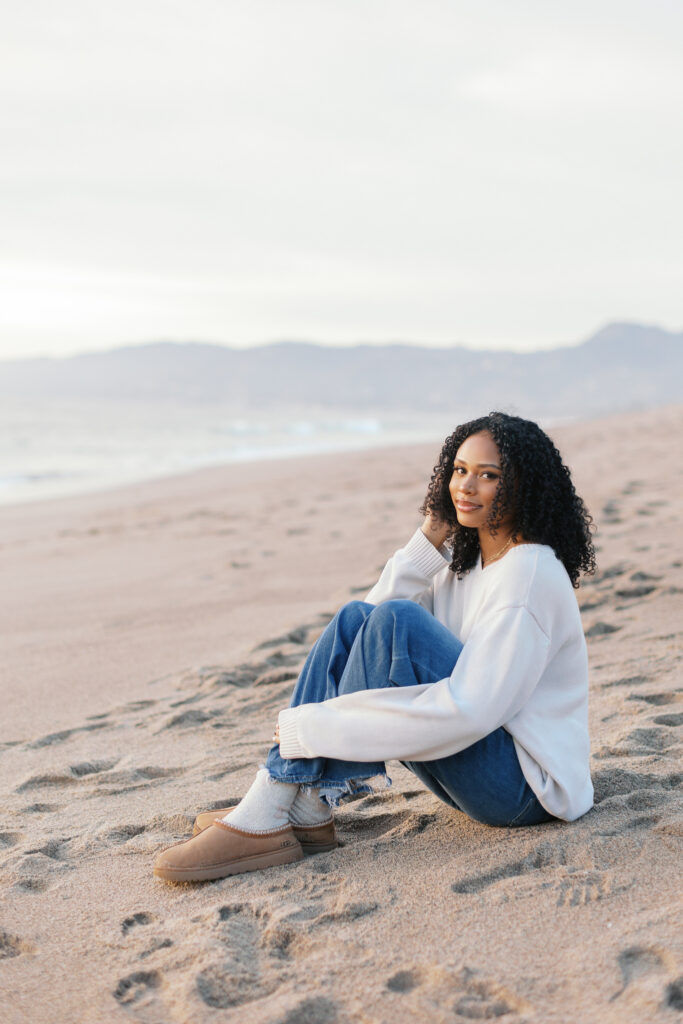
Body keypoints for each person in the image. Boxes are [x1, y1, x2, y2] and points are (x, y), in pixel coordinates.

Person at [153, 411, 596, 883]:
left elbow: (470, 710)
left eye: (488, 476)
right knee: (355, 617)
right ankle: (301, 807)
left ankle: (272, 804)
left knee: (398, 620)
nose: (466, 487)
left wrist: (314, 728)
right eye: (460, 470)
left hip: (525, 792)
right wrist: (427, 542)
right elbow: (368, 635)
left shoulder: (527, 575)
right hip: (480, 763)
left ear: (524, 487)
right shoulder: (466, 560)